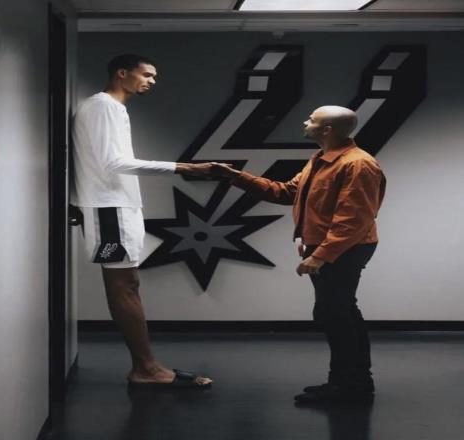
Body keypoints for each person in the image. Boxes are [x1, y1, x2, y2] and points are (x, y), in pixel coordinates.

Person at [213, 106, 386, 403]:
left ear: (327, 130)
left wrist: (320, 256)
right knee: (339, 312)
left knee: (335, 313)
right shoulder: (320, 160)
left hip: (345, 248)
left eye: (312, 119)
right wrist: (236, 177)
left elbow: (353, 220)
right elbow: (285, 192)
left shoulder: (358, 164)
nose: (306, 122)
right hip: (332, 247)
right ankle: (352, 383)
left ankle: (349, 386)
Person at [71, 53, 221, 388]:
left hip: (115, 207)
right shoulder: (104, 106)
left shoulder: (109, 107)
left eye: (154, 76)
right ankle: (146, 368)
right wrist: (185, 168)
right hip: (109, 210)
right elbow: (113, 163)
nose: (152, 81)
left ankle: (146, 366)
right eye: (147, 74)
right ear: (122, 73)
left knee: (128, 285)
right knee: (124, 286)